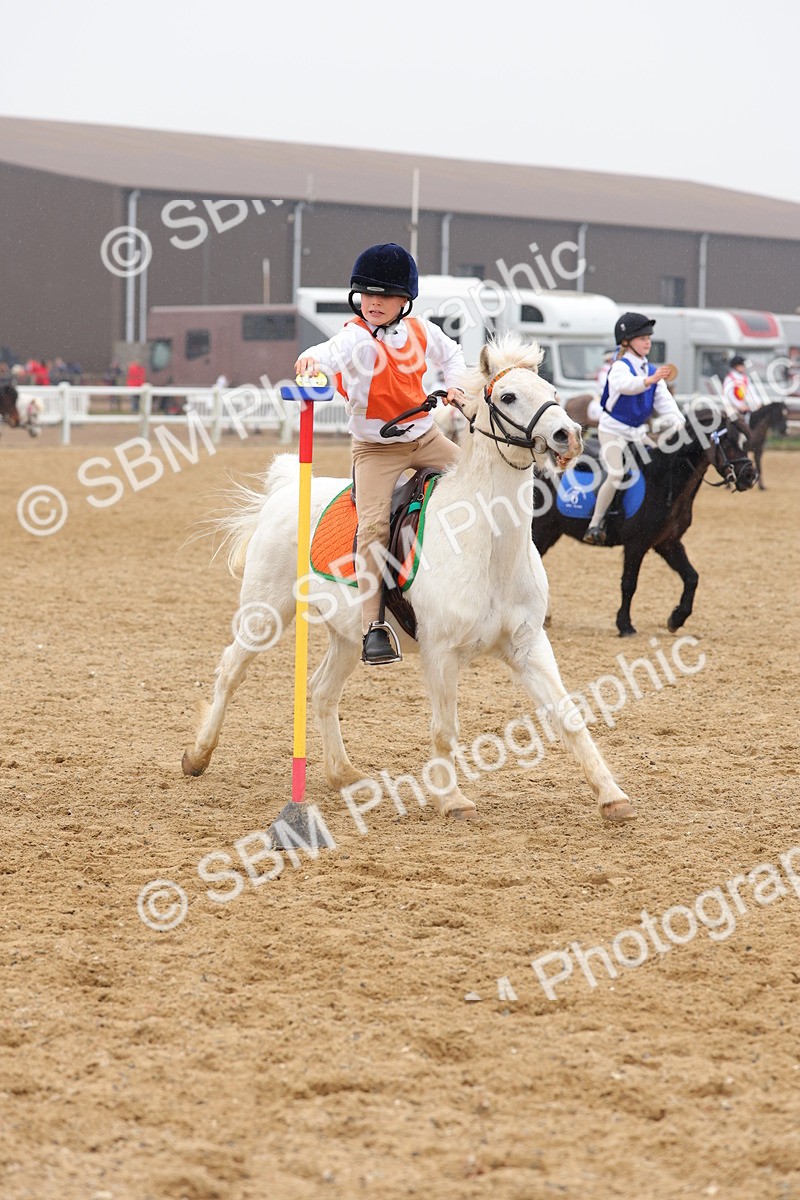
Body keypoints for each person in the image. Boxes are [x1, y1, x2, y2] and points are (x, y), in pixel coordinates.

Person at [295, 242, 466, 665]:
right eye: (368, 294)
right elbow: (324, 354)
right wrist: (308, 362)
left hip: (426, 438)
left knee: (479, 479)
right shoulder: (353, 336)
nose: (374, 302)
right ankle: (374, 626)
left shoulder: (423, 331)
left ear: (405, 301)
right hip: (375, 451)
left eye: (385, 295)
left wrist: (457, 384)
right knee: (372, 527)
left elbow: (454, 355)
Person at [583, 311, 685, 546]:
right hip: (612, 431)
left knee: (661, 463)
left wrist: (679, 422)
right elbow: (626, 386)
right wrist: (651, 380)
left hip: (637, 433)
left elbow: (665, 402)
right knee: (616, 473)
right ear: (626, 342)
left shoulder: (651, 371)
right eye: (642, 338)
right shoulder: (620, 366)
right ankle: (595, 524)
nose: (647, 341)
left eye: (649, 337)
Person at [723, 355, 759, 419]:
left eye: (743, 365)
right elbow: (729, 394)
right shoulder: (729, 378)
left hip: (744, 407)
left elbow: (752, 392)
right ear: (735, 366)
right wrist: (739, 406)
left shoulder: (746, 379)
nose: (743, 367)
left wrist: (757, 402)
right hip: (733, 407)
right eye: (741, 365)